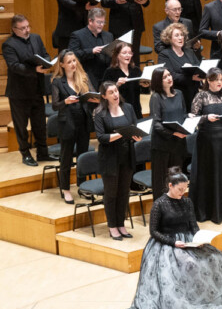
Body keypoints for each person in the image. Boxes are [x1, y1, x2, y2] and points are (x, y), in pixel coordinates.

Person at [113, 168, 222, 309]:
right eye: (180, 189)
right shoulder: (159, 204)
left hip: (188, 240)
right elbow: (154, 232)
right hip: (167, 243)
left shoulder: (187, 202)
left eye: (185, 189)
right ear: (170, 186)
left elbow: (193, 225)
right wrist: (173, 243)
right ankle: (188, 300)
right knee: (189, 264)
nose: (183, 192)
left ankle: (207, 297)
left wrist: (199, 238)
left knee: (217, 259)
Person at [190, 69, 222, 223]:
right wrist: (206, 117)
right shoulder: (201, 96)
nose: (219, 82)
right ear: (208, 80)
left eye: (221, 79)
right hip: (208, 142)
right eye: (216, 80)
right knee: (210, 174)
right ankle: (208, 212)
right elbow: (193, 117)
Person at [94, 81, 141, 240]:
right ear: (104, 96)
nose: (115, 95)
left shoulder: (128, 108)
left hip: (127, 155)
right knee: (111, 193)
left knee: (124, 192)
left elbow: (134, 127)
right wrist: (122, 133)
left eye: (116, 91)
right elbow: (101, 137)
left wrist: (136, 137)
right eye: (111, 92)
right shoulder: (99, 113)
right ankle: (112, 226)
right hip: (109, 158)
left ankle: (121, 224)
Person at [3, 15, 52, 165]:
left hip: (36, 89)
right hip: (19, 93)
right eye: (23, 28)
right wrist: (34, 70)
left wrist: (47, 63)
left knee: (40, 124)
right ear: (14, 29)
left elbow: (45, 54)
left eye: (28, 26)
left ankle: (43, 153)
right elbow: (14, 66)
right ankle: (25, 154)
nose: (27, 30)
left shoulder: (36, 38)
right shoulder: (8, 45)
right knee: (21, 126)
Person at [50, 51, 98, 204]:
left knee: (82, 156)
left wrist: (95, 99)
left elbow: (93, 94)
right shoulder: (58, 82)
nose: (73, 64)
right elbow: (55, 105)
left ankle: (82, 186)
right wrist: (65, 101)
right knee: (66, 158)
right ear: (62, 64)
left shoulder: (83, 77)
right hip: (67, 124)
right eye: (69, 62)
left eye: (74, 60)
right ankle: (65, 189)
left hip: (83, 122)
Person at [148, 68, 189, 200]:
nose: (169, 78)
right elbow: (156, 124)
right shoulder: (156, 97)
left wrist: (189, 118)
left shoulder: (179, 94)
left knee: (176, 180)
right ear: (158, 81)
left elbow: (183, 115)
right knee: (161, 181)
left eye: (169, 75)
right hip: (162, 145)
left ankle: (175, 205)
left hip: (178, 143)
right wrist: (174, 133)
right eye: (164, 77)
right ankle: (161, 209)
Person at [157, 22, 201, 107]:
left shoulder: (189, 52)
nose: (180, 38)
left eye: (182, 35)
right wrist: (191, 78)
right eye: (177, 35)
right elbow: (170, 75)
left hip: (193, 92)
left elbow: (199, 67)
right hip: (176, 93)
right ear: (170, 38)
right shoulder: (164, 54)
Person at [68, 8, 113, 90]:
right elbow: (71, 54)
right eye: (98, 22)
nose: (101, 25)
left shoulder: (108, 35)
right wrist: (91, 51)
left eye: (103, 22)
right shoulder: (78, 35)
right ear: (90, 21)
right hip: (87, 77)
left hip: (106, 76)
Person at [101, 41, 147, 119]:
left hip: (136, 109)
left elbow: (144, 92)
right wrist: (117, 85)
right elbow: (103, 92)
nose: (128, 55)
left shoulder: (136, 70)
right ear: (117, 55)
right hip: (119, 111)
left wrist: (145, 86)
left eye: (130, 53)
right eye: (124, 53)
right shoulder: (110, 71)